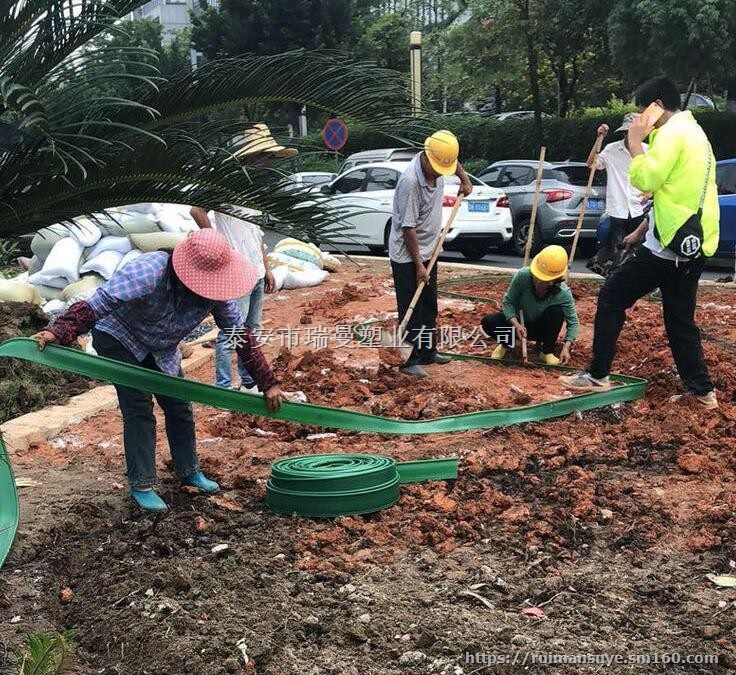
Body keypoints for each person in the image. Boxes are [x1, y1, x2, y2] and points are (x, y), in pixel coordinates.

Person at [32, 230, 284, 511]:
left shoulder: (217, 293)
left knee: (179, 404)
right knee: (138, 406)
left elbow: (239, 335)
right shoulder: (151, 269)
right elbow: (100, 302)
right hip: (120, 337)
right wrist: (61, 329)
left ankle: (188, 469)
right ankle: (142, 483)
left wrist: (267, 382)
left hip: (162, 348)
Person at [561, 77, 720, 409]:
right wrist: (647, 218)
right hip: (693, 243)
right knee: (679, 319)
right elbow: (675, 188)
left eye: (640, 112)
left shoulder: (671, 135)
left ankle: (597, 375)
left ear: (655, 107)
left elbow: (645, 179)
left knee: (611, 296)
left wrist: (635, 142)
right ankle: (703, 392)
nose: (638, 119)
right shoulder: (696, 134)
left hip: (668, 245)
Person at [191, 123, 296, 390]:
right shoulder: (225, 184)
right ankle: (224, 386)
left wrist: (267, 266)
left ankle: (248, 380)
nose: (268, 161)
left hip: (256, 272)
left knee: (252, 330)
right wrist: (217, 245)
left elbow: (254, 232)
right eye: (266, 156)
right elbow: (197, 210)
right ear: (252, 155)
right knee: (231, 333)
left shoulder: (253, 191)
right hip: (235, 272)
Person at [389, 130, 473, 378]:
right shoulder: (411, 182)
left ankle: (428, 351)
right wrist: (419, 265)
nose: (439, 173)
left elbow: (454, 164)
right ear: (426, 157)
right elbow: (408, 227)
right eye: (437, 168)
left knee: (428, 305)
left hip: (429, 250)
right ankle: (409, 359)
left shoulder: (442, 161)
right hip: (408, 256)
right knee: (411, 308)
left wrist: (465, 180)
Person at [481, 245, 579, 365]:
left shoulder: (563, 293)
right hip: (518, 326)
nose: (538, 281)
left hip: (540, 329)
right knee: (489, 321)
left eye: (543, 280)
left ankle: (546, 351)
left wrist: (566, 346)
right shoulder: (523, 276)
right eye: (536, 277)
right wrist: (516, 324)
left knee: (556, 312)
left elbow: (573, 321)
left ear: (553, 281)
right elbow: (508, 302)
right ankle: (507, 344)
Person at [586, 113, 649, 278]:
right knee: (617, 249)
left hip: (638, 207)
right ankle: (615, 279)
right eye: (626, 133)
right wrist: (599, 138)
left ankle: (635, 281)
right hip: (618, 208)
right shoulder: (612, 149)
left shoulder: (647, 151)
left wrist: (650, 192)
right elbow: (592, 164)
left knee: (638, 249)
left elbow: (656, 176)